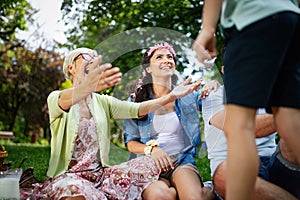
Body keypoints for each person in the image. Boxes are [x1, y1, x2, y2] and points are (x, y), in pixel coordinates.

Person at [21, 47, 201, 200]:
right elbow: (68, 98)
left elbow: (136, 109)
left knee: (146, 164)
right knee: (77, 191)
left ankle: (101, 189)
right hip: (69, 176)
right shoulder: (56, 99)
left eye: (94, 58)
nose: (91, 59)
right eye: (84, 57)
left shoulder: (102, 102)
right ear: (71, 68)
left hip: (101, 175)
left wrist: (170, 97)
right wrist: (86, 88)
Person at [193, 1, 300, 199]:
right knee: (290, 119)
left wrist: (208, 27)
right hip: (290, 18)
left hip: (252, 18)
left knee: (240, 126)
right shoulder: (214, 94)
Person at [123, 42, 216, 200]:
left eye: (170, 57)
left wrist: (213, 86)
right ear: (148, 68)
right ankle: (176, 192)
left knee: (195, 198)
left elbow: (211, 103)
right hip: (151, 165)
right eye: (159, 57)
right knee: (160, 196)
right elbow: (130, 143)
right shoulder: (136, 102)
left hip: (181, 161)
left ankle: (212, 188)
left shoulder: (187, 96)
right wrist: (152, 149)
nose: (166, 60)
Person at [202, 73, 298, 199]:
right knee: (226, 173)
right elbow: (247, 127)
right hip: (233, 168)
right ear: (226, 69)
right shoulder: (214, 94)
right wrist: (287, 117)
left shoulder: (272, 93)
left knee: (291, 140)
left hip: (273, 162)